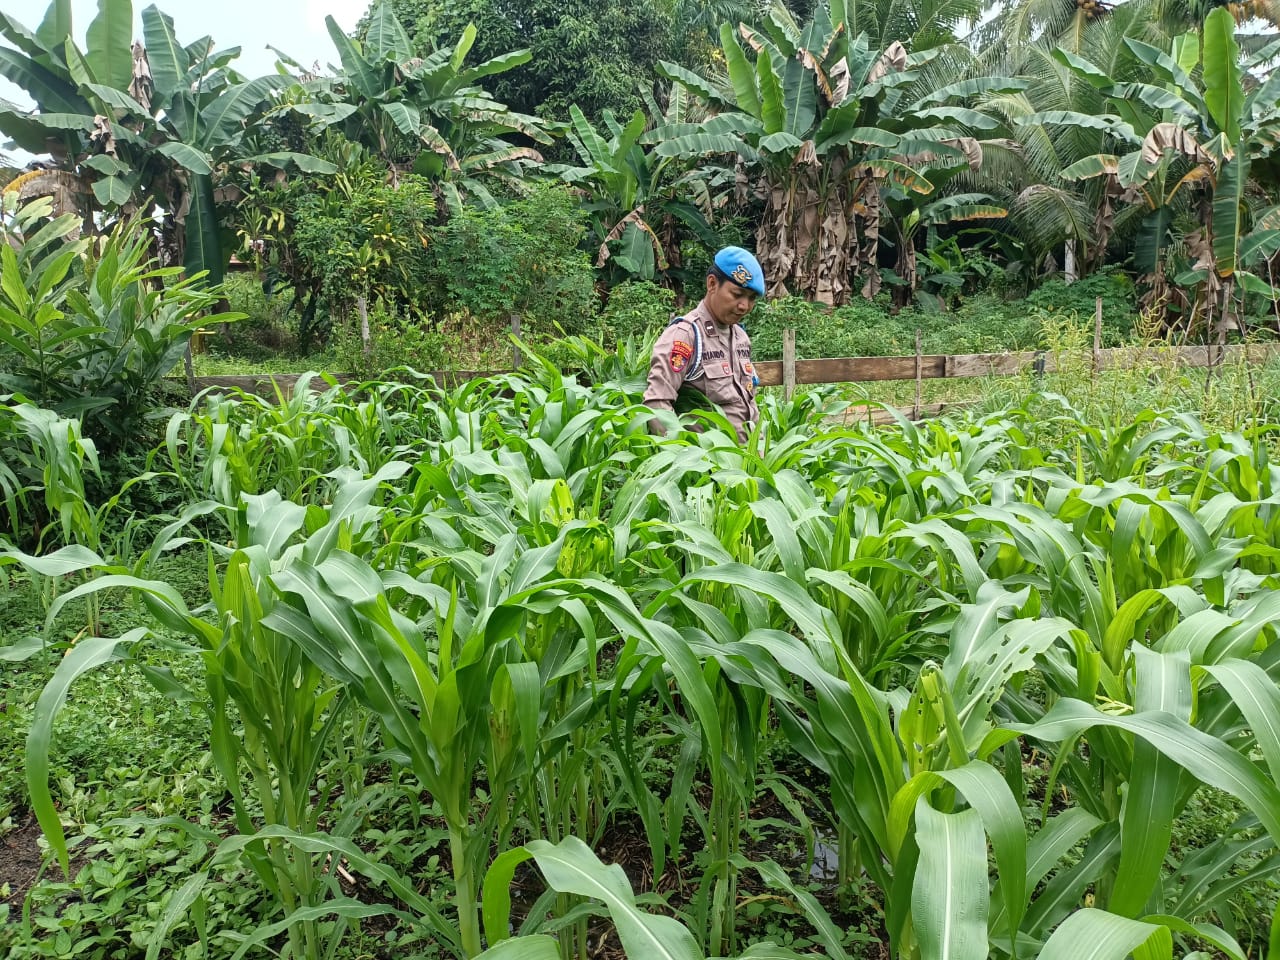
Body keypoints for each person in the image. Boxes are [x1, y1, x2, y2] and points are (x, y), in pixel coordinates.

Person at [643, 246, 763, 444]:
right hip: (708, 467)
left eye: (751, 298)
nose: (744, 306)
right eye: (737, 294)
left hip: (748, 464)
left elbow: (748, 404)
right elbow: (657, 404)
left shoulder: (741, 337)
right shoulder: (685, 336)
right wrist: (683, 461)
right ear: (712, 284)